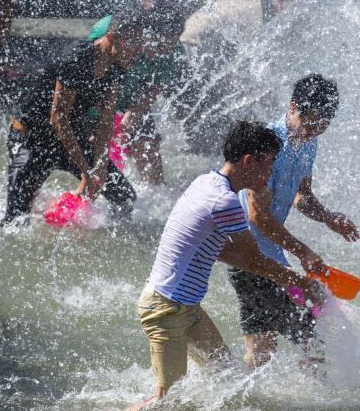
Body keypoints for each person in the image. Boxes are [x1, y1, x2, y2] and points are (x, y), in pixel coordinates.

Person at [131, 121, 325, 406]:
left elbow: (223, 251)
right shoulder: (224, 202)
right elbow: (252, 258)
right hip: (166, 308)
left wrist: (290, 279)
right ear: (249, 161)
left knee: (226, 379)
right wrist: (301, 283)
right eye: (270, 162)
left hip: (186, 308)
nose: (271, 171)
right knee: (167, 402)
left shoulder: (205, 183)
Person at [229, 74, 360, 368]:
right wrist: (304, 252)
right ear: (292, 107)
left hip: (262, 259)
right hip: (253, 258)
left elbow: (303, 196)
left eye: (323, 124)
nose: (315, 130)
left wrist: (328, 218)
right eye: (311, 120)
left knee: (262, 350)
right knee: (313, 343)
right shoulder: (267, 146)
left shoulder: (308, 144)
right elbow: (257, 215)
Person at [1, 8, 176, 225]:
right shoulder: (76, 59)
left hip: (70, 138)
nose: (137, 53)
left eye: (140, 47)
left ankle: (107, 239)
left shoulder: (117, 68)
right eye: (134, 45)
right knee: (15, 219)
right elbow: (59, 118)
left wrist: (100, 164)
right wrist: (86, 169)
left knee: (125, 197)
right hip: (31, 139)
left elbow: (105, 122)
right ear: (112, 37)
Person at [87, 13, 188, 184]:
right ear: (147, 35)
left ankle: (154, 197)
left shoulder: (173, 52)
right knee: (93, 149)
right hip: (97, 101)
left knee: (149, 147)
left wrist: (131, 115)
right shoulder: (116, 35)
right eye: (163, 43)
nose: (167, 48)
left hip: (133, 99)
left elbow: (153, 89)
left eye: (174, 41)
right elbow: (87, 71)